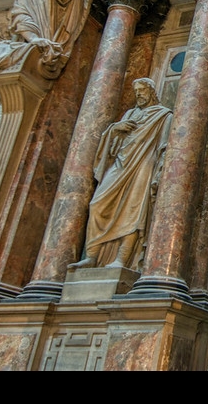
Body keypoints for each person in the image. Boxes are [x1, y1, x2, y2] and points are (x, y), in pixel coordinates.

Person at [69, 78, 172, 271]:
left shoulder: (163, 115)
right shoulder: (130, 113)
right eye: (137, 91)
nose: (139, 94)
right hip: (121, 162)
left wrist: (159, 174)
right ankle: (92, 256)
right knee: (97, 203)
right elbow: (111, 144)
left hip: (144, 164)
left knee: (134, 211)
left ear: (151, 91)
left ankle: (121, 260)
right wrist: (115, 129)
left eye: (142, 90)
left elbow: (165, 146)